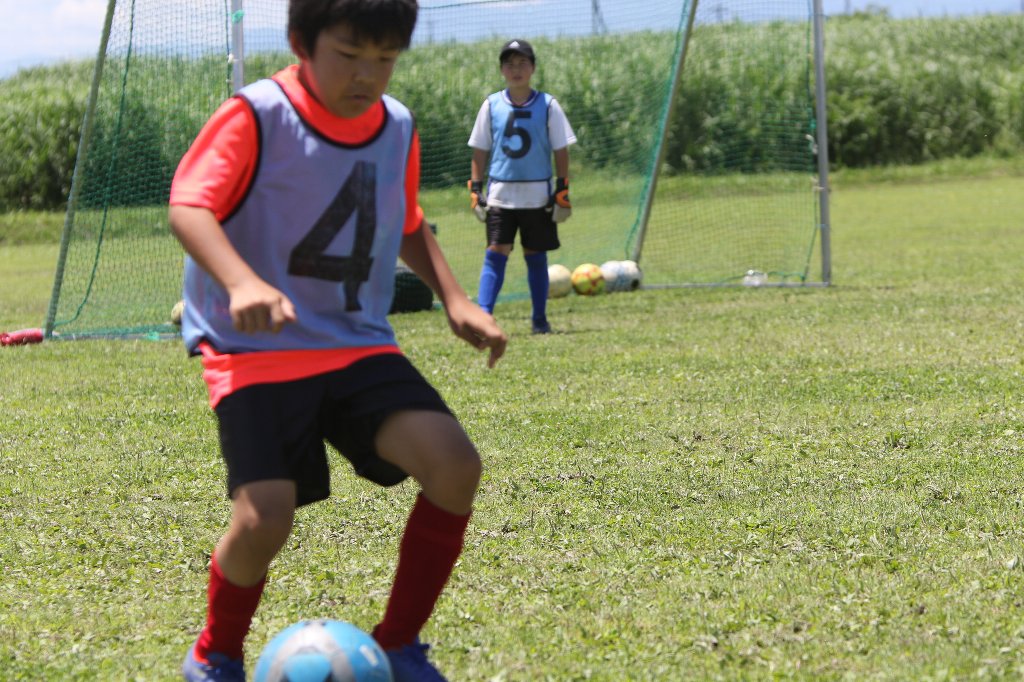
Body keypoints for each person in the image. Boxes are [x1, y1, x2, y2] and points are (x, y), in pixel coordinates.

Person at [168, 1, 507, 680]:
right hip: (254, 351)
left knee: (454, 465)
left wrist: (455, 298)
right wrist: (241, 282)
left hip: (356, 343)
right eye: (349, 55)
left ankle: (400, 645)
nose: (366, 75)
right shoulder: (257, 115)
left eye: (385, 59)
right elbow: (189, 204)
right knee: (264, 520)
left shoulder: (396, 125)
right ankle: (215, 655)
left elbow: (404, 219)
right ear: (302, 42)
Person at [468, 38, 577, 334]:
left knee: (535, 255)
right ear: (502, 69)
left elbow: (561, 149)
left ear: (533, 68)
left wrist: (562, 188)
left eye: (522, 63)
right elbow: (479, 149)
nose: (516, 70)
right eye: (510, 64)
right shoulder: (491, 105)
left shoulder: (548, 105)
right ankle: (483, 319)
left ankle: (539, 320)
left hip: (538, 196)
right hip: (500, 195)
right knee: (495, 252)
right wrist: (475, 188)